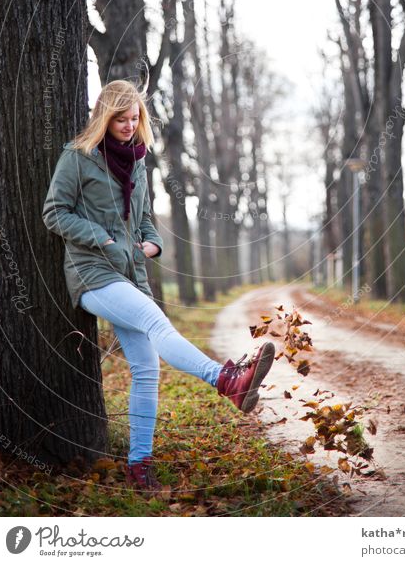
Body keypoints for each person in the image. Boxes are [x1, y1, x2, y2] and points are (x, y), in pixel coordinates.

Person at [42, 80, 275, 498]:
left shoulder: (139, 162)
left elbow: (146, 218)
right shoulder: (77, 158)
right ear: (104, 117)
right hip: (92, 273)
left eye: (135, 118)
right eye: (121, 119)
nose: (129, 126)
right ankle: (226, 380)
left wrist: (153, 243)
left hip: (132, 275)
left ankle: (138, 465)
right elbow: (54, 212)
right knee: (156, 321)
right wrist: (104, 239)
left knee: (146, 372)